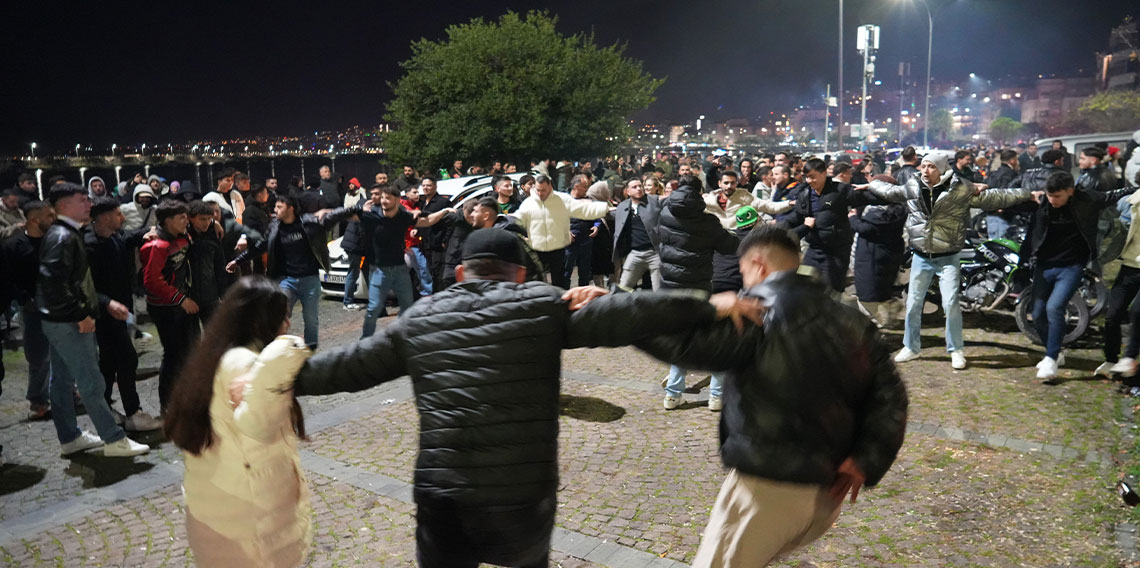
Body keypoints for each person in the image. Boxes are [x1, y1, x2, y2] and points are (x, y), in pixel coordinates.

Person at [291, 228, 760, 567]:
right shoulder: (541, 304)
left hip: (444, 494)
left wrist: (272, 377)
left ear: (460, 272)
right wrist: (707, 303)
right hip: (521, 493)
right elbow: (626, 314)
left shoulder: (419, 319)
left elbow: (346, 367)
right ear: (517, 273)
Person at [637, 224, 908, 567]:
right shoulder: (851, 318)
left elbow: (677, 342)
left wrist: (704, 308)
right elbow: (891, 396)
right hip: (826, 489)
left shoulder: (756, 312)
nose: (743, 281)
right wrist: (866, 458)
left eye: (744, 272)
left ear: (759, 265)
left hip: (768, 485)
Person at [165, 276, 313, 567]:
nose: (287, 325)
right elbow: (259, 425)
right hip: (245, 525)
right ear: (261, 322)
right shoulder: (244, 364)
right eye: (282, 318)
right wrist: (289, 350)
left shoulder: (214, 354)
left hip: (213, 512)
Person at [861, 151, 1036, 370]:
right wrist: (870, 185)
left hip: (947, 257)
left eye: (931, 167)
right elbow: (891, 191)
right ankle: (911, 346)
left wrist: (1027, 194)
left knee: (951, 303)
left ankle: (955, 350)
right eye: (923, 166)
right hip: (921, 256)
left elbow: (995, 197)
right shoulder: (914, 186)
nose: (925, 170)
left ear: (942, 169)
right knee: (913, 303)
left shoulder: (960, 189)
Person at [37, 183, 151, 457]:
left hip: (57, 320)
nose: (89, 204)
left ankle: (70, 437)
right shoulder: (64, 237)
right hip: (69, 321)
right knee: (91, 381)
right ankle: (113, 439)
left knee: (62, 380)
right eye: (83, 200)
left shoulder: (64, 233)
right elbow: (54, 282)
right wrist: (81, 313)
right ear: (64, 205)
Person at [1021, 171, 1132, 380]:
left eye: (1058, 197)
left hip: (1071, 266)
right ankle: (1055, 351)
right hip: (1044, 266)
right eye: (1050, 195)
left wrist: (1136, 190)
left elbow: (1113, 195)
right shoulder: (1042, 202)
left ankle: (1051, 358)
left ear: (1070, 192)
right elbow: (1014, 206)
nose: (1052, 201)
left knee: (1055, 307)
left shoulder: (1087, 199)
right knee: (1036, 313)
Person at [227, 195, 357, 349]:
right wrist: (239, 260)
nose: (275, 210)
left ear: (291, 208)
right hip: (286, 280)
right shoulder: (275, 227)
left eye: (279, 207)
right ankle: (277, 350)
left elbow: (335, 215)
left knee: (311, 320)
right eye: (275, 207)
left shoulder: (309, 223)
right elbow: (261, 246)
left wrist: (357, 208)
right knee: (279, 317)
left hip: (309, 279)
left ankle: (310, 351)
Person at [657, 175, 740, 410]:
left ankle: (673, 394)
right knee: (714, 340)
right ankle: (716, 395)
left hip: (670, 289)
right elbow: (729, 246)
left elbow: (659, 239)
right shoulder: (708, 222)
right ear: (700, 193)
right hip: (700, 287)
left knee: (682, 340)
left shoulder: (665, 213)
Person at [84, 197, 164, 431]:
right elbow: (85, 285)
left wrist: (148, 232)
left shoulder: (113, 236)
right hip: (105, 313)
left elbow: (129, 238)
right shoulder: (90, 245)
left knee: (108, 362)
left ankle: (105, 406)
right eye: (118, 214)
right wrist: (107, 303)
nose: (122, 217)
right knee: (127, 358)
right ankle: (133, 412)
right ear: (105, 217)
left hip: (122, 309)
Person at [354, 185, 455, 337]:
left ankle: (400, 337)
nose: (384, 201)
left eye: (388, 198)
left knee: (407, 307)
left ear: (397, 201)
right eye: (382, 198)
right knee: (374, 308)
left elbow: (426, 221)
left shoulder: (403, 217)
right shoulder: (372, 216)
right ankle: (365, 340)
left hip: (400, 269)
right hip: (378, 270)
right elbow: (349, 216)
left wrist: (444, 211)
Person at [784, 158, 881, 293]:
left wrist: (875, 187)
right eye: (807, 177)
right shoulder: (805, 195)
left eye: (812, 177)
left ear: (824, 173)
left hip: (837, 252)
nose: (809, 181)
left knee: (832, 292)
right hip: (813, 251)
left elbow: (872, 198)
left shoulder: (840, 190)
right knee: (803, 285)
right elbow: (796, 217)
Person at [140, 200, 198, 411]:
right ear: (167, 221)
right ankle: (169, 405)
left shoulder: (182, 236)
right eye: (181, 217)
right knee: (173, 355)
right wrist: (181, 300)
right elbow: (152, 281)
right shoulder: (157, 246)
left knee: (188, 351)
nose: (186, 221)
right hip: (167, 308)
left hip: (183, 303)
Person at [1, 200, 54, 418]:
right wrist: (24, 298)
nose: (53, 220)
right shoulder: (14, 246)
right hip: (32, 306)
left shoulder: (53, 241)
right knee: (38, 354)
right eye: (48, 217)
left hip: (56, 303)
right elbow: (6, 277)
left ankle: (66, 390)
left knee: (61, 351)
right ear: (34, 219)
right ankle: (38, 399)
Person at [511, 174, 609, 288]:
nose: (540, 193)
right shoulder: (528, 203)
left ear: (550, 187)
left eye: (544, 190)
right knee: (540, 280)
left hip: (561, 246)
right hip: (538, 248)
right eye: (538, 190)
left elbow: (585, 210)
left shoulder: (562, 199)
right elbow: (517, 220)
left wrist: (606, 209)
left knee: (563, 279)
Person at [850, 194, 908, 326]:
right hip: (888, 257)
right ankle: (888, 309)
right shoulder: (899, 212)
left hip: (871, 259)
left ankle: (877, 323)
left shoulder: (875, 217)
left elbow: (864, 229)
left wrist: (853, 218)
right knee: (879, 292)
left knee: (866, 296)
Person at [612, 178, 664, 290]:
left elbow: (668, 201)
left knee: (659, 293)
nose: (639, 189)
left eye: (640, 186)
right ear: (627, 191)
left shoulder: (654, 200)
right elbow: (611, 213)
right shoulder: (623, 206)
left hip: (655, 253)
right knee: (623, 288)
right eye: (634, 187)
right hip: (635, 253)